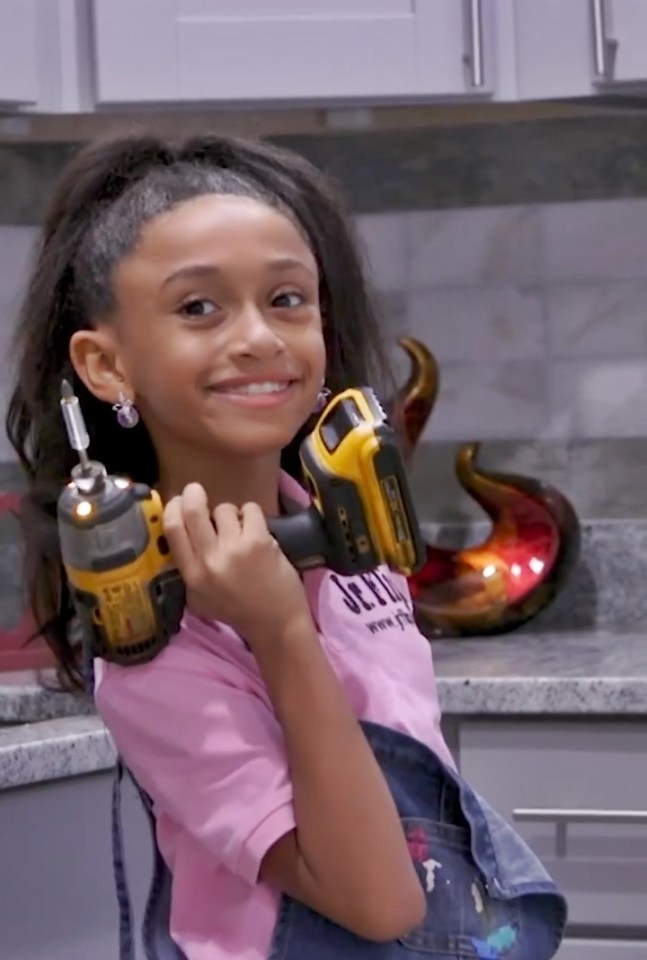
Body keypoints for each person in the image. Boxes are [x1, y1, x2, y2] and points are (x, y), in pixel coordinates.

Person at [6, 132, 567, 960]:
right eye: (199, 307)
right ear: (105, 363)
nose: (260, 338)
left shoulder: (347, 537)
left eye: (287, 300)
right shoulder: (158, 651)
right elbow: (377, 906)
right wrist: (277, 632)